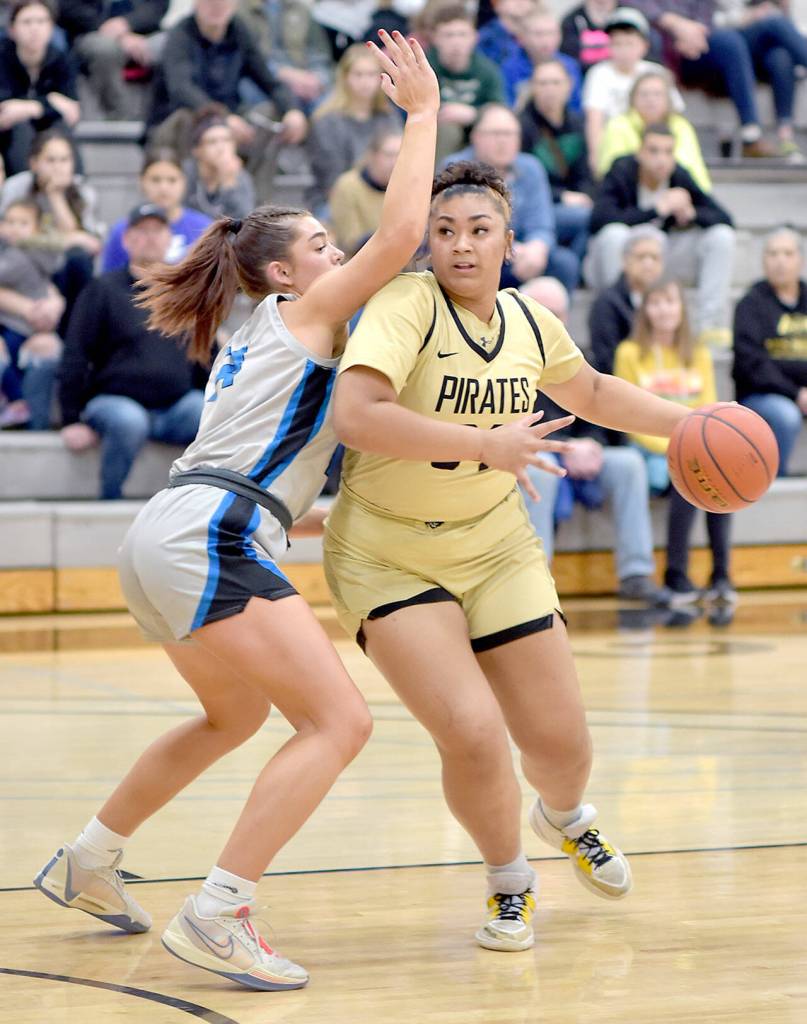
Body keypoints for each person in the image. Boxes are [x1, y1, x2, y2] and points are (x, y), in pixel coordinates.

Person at [35, 30, 443, 992]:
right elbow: (396, 238)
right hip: (206, 530)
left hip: (172, 529)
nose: (336, 256)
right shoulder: (301, 315)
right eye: (319, 247)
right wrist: (421, 115)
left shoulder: (261, 327)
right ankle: (219, 911)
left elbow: (275, 472)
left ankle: (90, 858)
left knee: (233, 714)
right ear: (283, 275)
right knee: (339, 723)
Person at [324, 159, 696, 954]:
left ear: (509, 241)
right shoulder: (405, 303)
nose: (460, 246)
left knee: (563, 747)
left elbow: (591, 393)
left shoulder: (528, 319)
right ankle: (509, 883)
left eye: (478, 230)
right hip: (389, 553)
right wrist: (482, 445)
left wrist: (690, 426)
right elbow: (356, 415)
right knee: (471, 730)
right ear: (426, 241)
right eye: (445, 231)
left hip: (495, 547)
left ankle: (562, 816)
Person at [518, 278, 668, 605]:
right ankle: (535, 583)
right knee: (542, 473)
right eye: (543, 313)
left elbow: (600, 416)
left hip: (578, 451)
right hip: (534, 453)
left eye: (558, 313)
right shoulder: (509, 363)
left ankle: (636, 574)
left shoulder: (579, 358)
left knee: (629, 464)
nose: (552, 321)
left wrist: (593, 444)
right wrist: (567, 448)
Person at [58, 204, 207, 500]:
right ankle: (109, 500)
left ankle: (196, 504)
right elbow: (76, 352)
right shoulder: (101, 289)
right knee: (129, 420)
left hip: (176, 407)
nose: (150, 238)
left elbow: (206, 355)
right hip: (114, 403)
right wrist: (71, 418)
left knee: (207, 412)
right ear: (126, 240)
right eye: (141, 231)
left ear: (170, 239)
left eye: (157, 231)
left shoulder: (185, 293)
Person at [614, 276, 735, 605]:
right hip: (649, 451)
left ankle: (721, 576)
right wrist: (678, 449)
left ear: (682, 309)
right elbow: (627, 418)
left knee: (721, 478)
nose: (664, 309)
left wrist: (690, 449)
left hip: (690, 446)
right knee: (690, 477)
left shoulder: (697, 353)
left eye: (670, 301)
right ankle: (676, 574)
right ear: (646, 310)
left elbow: (708, 407)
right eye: (656, 302)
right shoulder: (629, 353)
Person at [587, 124, 735, 347]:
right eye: (654, 151)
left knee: (721, 237)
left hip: (662, 258)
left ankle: (710, 327)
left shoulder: (678, 176)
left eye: (668, 152)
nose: (661, 159)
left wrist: (692, 213)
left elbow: (725, 218)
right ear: (640, 153)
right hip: (619, 258)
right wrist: (657, 210)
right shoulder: (622, 169)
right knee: (613, 235)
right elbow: (598, 219)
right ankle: (619, 317)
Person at [148, 0, 307, 201]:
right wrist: (221, 118)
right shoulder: (180, 35)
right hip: (175, 124)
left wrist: (292, 110)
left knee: (270, 114)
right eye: (210, 2)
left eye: (223, 2)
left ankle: (257, 201)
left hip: (229, 119)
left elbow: (269, 81)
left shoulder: (239, 31)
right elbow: (181, 90)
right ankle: (188, 200)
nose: (217, 6)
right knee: (188, 118)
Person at [633, 0, 807, 158]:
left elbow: (707, 18)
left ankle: (781, 134)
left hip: (707, 41)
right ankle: (751, 135)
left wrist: (695, 33)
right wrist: (676, 26)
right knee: (734, 39)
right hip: (675, 50)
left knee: (779, 54)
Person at [446, 103, 581, 295]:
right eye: (495, 134)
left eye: (509, 134)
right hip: (475, 252)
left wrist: (537, 249)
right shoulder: (457, 169)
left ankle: (549, 322)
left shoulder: (531, 168)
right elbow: (461, 229)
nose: (503, 141)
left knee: (565, 263)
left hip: (523, 253)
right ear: (475, 137)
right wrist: (511, 248)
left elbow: (541, 224)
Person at [0, 129, 101, 331]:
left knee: (78, 260)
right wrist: (67, 238)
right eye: (51, 160)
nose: (58, 168)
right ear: (34, 163)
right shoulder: (17, 187)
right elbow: (8, 232)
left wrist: (55, 196)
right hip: (22, 267)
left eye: (64, 160)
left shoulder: (84, 192)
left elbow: (90, 246)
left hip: (60, 270)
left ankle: (74, 334)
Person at [733, 226, 807, 475]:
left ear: (800, 259)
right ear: (763, 261)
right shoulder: (751, 304)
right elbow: (752, 364)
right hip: (761, 396)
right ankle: (776, 483)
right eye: (773, 254)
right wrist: (796, 393)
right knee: (786, 416)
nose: (780, 261)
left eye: (787, 253)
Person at [582, 7, 683, 174]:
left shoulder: (657, 73)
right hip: (616, 148)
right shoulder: (599, 74)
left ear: (644, 46)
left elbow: (675, 118)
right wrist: (596, 161)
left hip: (657, 146)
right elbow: (595, 122)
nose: (623, 50)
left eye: (629, 43)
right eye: (617, 44)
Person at [306, 42, 402, 215]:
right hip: (336, 198)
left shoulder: (388, 116)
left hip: (384, 193)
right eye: (358, 75)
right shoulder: (327, 121)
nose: (365, 82)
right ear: (345, 78)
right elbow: (331, 181)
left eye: (371, 75)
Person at [519, 58, 594, 274]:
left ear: (569, 85)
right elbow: (522, 181)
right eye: (543, 83)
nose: (549, 90)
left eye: (555, 83)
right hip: (538, 206)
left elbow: (585, 174)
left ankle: (574, 270)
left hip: (574, 201)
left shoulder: (577, 123)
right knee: (585, 217)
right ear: (533, 87)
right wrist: (562, 196)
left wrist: (585, 195)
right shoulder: (522, 126)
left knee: (596, 213)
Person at [0, 197, 63, 429]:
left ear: (36, 228)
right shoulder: (38, 252)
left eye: (23, 223)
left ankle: (17, 401)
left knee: (9, 357)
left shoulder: (19, 256)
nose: (15, 228)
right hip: (21, 321)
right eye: (11, 222)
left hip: (19, 325)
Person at [0, 0, 80, 177]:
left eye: (41, 21)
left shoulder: (61, 58)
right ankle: (24, 183)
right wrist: (50, 102)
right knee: (20, 126)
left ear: (52, 28)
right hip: (7, 136)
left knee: (60, 129)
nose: (34, 28)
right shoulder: (2, 57)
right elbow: (4, 112)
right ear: (12, 30)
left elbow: (72, 112)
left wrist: (30, 107)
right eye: (27, 22)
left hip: (47, 129)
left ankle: (74, 183)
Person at [597, 68, 710, 189]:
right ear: (632, 98)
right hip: (629, 196)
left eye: (657, 94)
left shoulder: (681, 126)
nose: (650, 100)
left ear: (668, 99)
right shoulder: (618, 125)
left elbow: (694, 168)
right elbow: (610, 170)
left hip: (677, 192)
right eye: (644, 94)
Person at [101, 148, 211, 272]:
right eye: (155, 180)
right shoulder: (123, 231)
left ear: (184, 182)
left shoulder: (204, 229)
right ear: (141, 182)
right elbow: (109, 280)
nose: (163, 188)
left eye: (172, 180)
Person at [60, 0, 168, 120]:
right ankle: (121, 118)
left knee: (169, 45)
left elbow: (158, 6)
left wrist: (128, 23)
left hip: (143, 31)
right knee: (105, 50)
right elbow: (67, 7)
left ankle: (164, 119)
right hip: (92, 29)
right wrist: (116, 32)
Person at [425, 2, 505, 158]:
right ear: (435, 38)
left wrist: (474, 114)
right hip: (434, 132)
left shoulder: (487, 70)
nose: (456, 42)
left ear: (474, 37)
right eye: (449, 35)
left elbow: (499, 109)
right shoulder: (424, 67)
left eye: (462, 34)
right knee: (449, 130)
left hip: (477, 132)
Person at [588, 222, 665, 373]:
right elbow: (606, 361)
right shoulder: (606, 304)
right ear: (625, 261)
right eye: (641, 257)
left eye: (654, 257)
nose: (648, 264)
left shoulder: (670, 302)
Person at [328, 129, 402, 254]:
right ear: (372, 156)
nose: (395, 162)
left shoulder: (408, 188)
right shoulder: (348, 186)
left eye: (400, 155)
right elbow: (350, 242)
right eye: (389, 155)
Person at [182, 107, 257, 221]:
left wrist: (228, 185)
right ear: (197, 149)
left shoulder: (240, 176)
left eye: (226, 140)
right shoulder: (184, 174)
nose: (221, 148)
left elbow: (243, 223)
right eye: (212, 142)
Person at [501, 7, 583, 111]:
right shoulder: (509, 68)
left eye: (551, 33)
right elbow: (508, 108)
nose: (546, 40)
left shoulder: (570, 66)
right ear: (522, 37)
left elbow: (576, 108)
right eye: (539, 34)